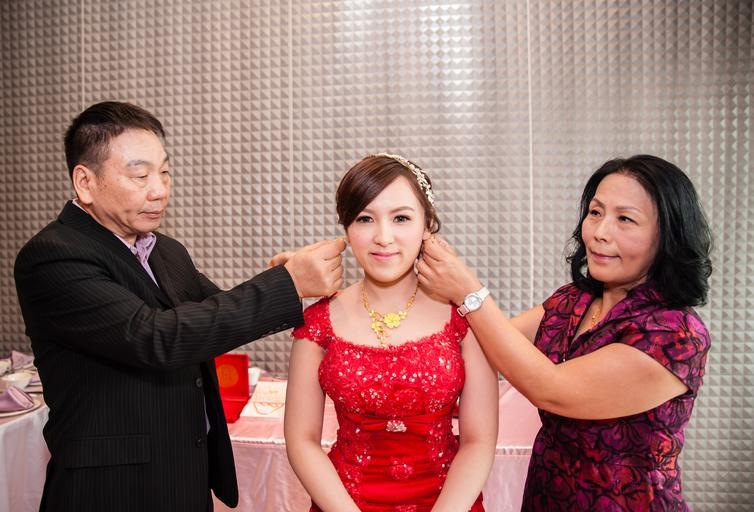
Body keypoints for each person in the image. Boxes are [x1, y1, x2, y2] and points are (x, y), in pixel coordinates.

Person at [13, 101, 345, 512]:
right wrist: (286, 285)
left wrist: (284, 282)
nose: (160, 190)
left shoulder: (164, 250)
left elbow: (211, 314)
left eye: (165, 172)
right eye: (140, 175)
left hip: (183, 473)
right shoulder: (53, 257)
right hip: (112, 489)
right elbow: (155, 336)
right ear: (85, 182)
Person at [417, 155, 712, 511]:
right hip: (546, 495)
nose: (600, 232)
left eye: (625, 219)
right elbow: (490, 344)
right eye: (596, 212)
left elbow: (551, 389)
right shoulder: (573, 301)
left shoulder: (674, 334)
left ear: (667, 235)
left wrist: (469, 292)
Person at [281, 154, 499, 511]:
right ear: (347, 229)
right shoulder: (318, 321)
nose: (383, 237)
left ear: (426, 225)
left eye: (401, 218)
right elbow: (301, 440)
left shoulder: (464, 314)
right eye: (365, 219)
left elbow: (479, 440)